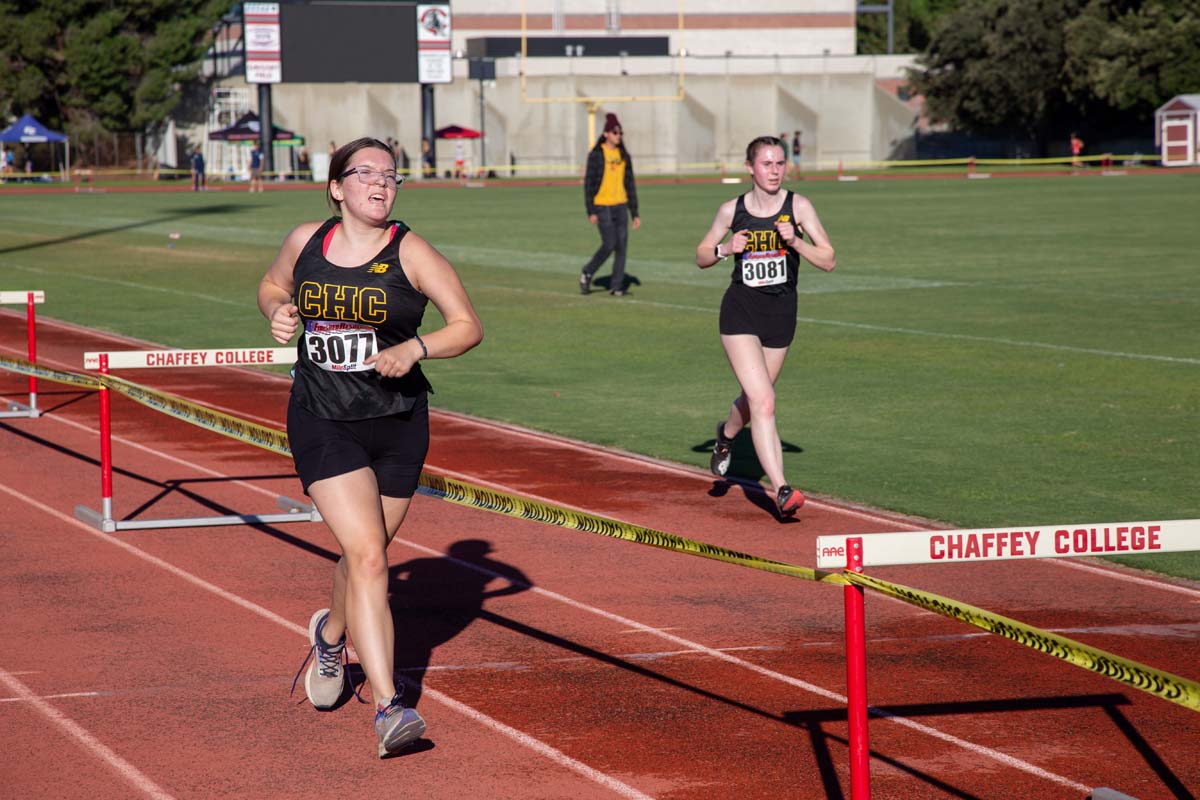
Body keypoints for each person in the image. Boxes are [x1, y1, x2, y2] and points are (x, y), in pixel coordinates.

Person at [257, 137, 484, 757]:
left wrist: (418, 347)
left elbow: (468, 325)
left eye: (390, 175)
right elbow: (272, 284)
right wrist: (278, 309)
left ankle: (331, 636)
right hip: (323, 418)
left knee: (367, 556)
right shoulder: (306, 240)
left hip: (398, 423)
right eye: (365, 174)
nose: (380, 184)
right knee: (371, 559)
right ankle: (389, 707)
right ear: (336, 187)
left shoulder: (411, 251)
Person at [694, 135, 835, 517]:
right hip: (740, 312)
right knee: (765, 401)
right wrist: (726, 249)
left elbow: (829, 259)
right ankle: (782, 489)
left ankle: (725, 435)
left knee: (753, 402)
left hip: (781, 314)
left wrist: (798, 243)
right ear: (750, 168)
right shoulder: (732, 210)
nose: (774, 171)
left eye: (779, 164)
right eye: (766, 164)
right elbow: (701, 254)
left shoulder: (798, 206)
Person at [579, 112, 641, 297]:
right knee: (609, 243)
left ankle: (616, 286)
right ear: (606, 134)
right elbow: (589, 183)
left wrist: (634, 212)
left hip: (621, 205)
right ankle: (588, 271)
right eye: (615, 132)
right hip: (602, 205)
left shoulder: (623, 155)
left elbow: (630, 184)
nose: (618, 136)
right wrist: (590, 210)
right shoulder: (597, 154)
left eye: (620, 132)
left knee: (621, 245)